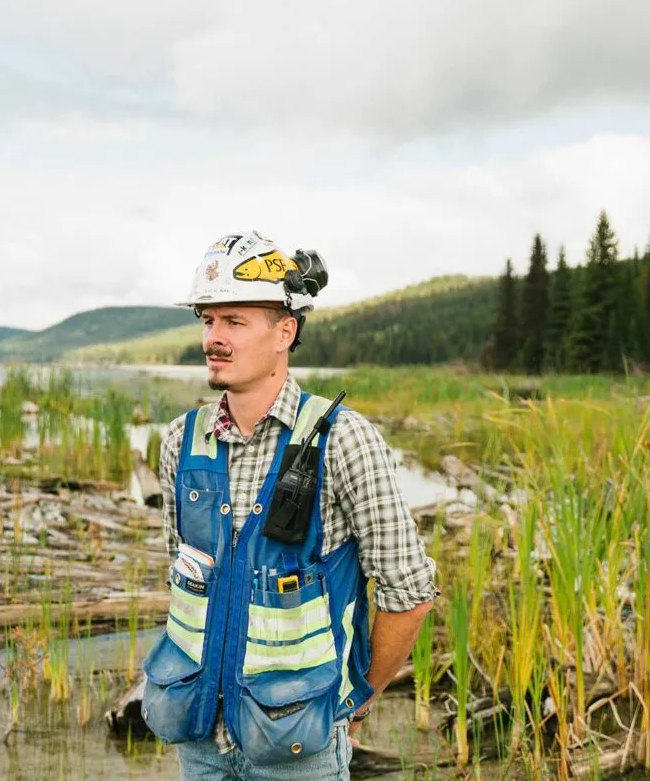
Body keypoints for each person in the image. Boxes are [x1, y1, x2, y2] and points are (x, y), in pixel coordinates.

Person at [142, 232, 437, 781]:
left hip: (301, 750)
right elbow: (181, 577)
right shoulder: (181, 441)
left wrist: (358, 698)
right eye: (208, 320)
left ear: (285, 331)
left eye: (235, 321)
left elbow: (410, 592)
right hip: (198, 739)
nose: (214, 337)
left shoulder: (344, 440)